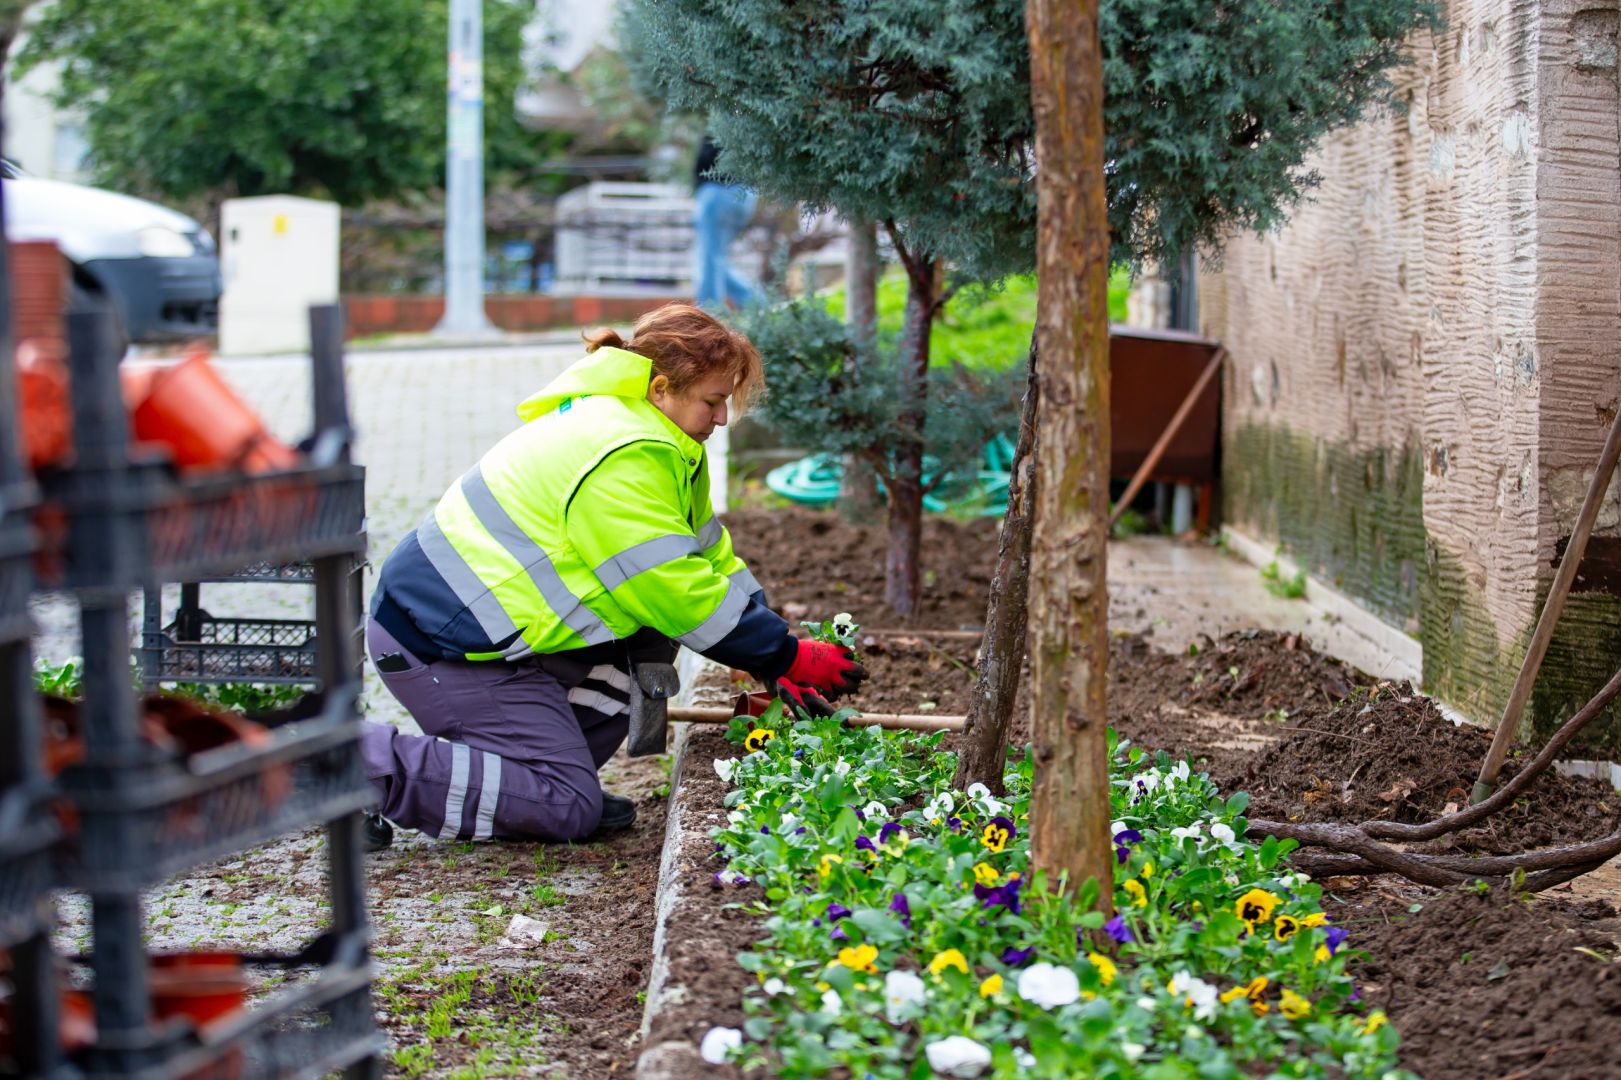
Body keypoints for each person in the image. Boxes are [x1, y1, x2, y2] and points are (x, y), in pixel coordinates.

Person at [358, 303, 865, 850]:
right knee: (568, 806)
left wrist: (771, 650)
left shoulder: (658, 440)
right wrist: (784, 655)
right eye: (713, 402)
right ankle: (351, 765)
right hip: (438, 644)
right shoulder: (624, 454)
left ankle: (531, 786)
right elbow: (673, 588)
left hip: (487, 639)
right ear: (661, 389)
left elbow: (708, 560)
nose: (721, 420)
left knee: (649, 642)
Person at [691, 135, 757, 311]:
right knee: (715, 260)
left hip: (719, 191)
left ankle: (707, 320)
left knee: (710, 259)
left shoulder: (726, 116)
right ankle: (756, 303)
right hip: (743, 192)